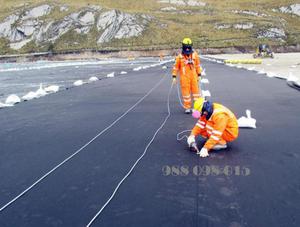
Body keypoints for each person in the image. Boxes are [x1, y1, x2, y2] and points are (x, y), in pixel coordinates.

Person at [172, 38, 202, 114]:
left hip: (194, 77)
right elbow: (175, 67)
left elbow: (198, 65)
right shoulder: (179, 57)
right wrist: (174, 77)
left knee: (196, 93)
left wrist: (199, 74)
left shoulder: (195, 55)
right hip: (184, 78)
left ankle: (197, 107)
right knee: (186, 94)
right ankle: (187, 107)